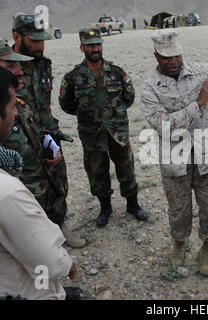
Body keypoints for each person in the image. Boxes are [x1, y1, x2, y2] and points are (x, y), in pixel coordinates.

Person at [140, 29, 208, 276]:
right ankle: (179, 244)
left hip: (204, 157)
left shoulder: (202, 73)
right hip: (174, 160)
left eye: (176, 56)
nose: (173, 61)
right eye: (166, 57)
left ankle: (207, 246)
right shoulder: (149, 87)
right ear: (156, 56)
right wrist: (199, 102)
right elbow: (164, 126)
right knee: (179, 209)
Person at [0, 58, 76, 299]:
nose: (16, 111)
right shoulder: (1, 192)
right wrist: (67, 264)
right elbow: (48, 261)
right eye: (11, 106)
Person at [0, 39, 87, 249]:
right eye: (10, 66)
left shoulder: (16, 102)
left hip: (41, 176)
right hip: (20, 195)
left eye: (17, 65)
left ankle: (57, 229)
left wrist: (48, 143)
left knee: (52, 207)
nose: (19, 71)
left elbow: (36, 126)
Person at [59, 27, 149, 228]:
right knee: (97, 171)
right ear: (82, 48)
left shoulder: (116, 72)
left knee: (126, 167)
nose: (95, 48)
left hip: (117, 132)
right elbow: (66, 105)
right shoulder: (73, 77)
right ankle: (105, 208)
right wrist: (89, 117)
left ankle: (133, 205)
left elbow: (129, 98)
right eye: (90, 45)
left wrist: (113, 117)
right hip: (92, 135)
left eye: (98, 44)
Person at [11, 13, 84, 246]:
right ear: (16, 37)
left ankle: (60, 226)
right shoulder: (7, 68)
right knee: (32, 190)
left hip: (48, 134)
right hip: (23, 141)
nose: (40, 45)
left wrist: (49, 137)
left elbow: (44, 104)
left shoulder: (44, 64)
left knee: (59, 182)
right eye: (34, 40)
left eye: (43, 40)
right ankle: (39, 240)